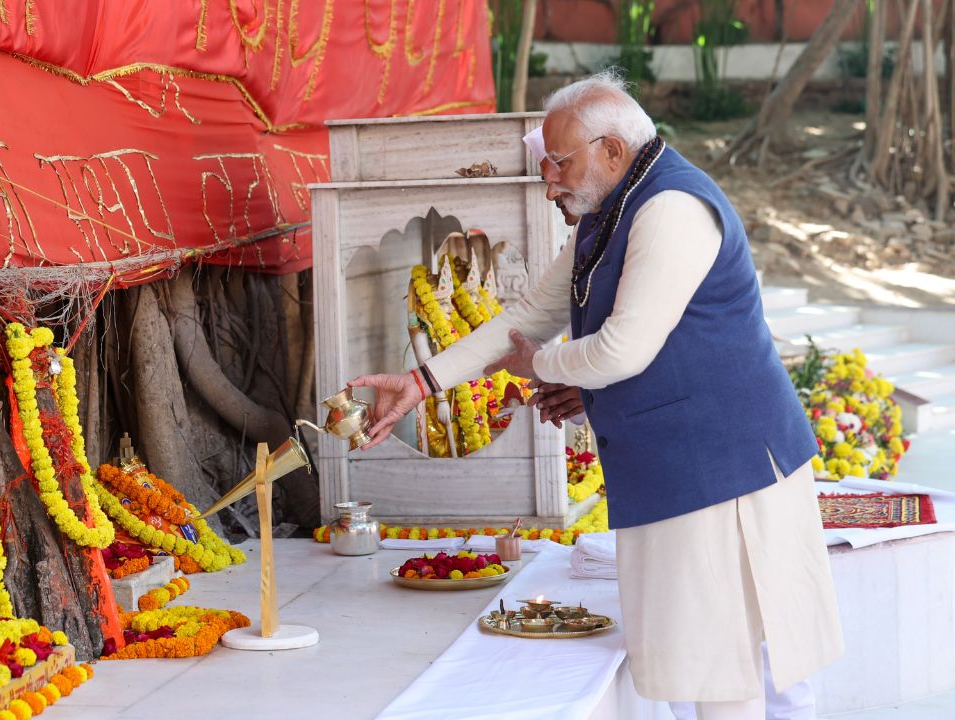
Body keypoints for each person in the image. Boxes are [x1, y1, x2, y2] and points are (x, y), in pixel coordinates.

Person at [348, 70, 843, 720]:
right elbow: (522, 317)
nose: (548, 180)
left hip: (728, 474)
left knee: (732, 674)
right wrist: (420, 382)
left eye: (560, 163)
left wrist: (548, 366)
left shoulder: (671, 208)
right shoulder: (607, 213)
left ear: (613, 151)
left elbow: (621, 349)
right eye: (546, 163)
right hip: (684, 471)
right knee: (714, 669)